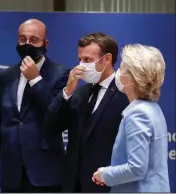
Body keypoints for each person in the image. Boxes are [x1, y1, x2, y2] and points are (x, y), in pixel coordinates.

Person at [0, 19, 70, 193]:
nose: (27, 44)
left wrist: (35, 80)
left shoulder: (61, 74)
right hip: (12, 177)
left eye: (33, 40)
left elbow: (57, 116)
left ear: (45, 43)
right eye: (22, 39)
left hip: (46, 176)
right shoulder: (4, 77)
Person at [44, 32, 129, 192]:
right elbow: (50, 127)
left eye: (87, 60)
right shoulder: (78, 93)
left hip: (106, 185)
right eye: (80, 59)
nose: (80, 65)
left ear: (107, 59)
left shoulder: (125, 94)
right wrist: (67, 92)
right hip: (73, 185)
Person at [92, 44, 170, 192]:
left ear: (132, 79)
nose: (117, 73)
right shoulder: (152, 109)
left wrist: (105, 174)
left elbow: (137, 168)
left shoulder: (138, 114)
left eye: (121, 68)